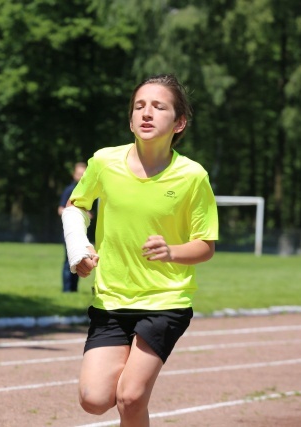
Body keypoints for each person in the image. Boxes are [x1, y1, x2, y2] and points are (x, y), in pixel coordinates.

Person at [61, 74, 218, 426]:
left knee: (130, 398)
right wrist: (79, 249)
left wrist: (173, 251)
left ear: (179, 123)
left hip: (165, 301)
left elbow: (206, 246)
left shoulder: (193, 176)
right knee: (94, 399)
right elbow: (76, 207)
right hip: (112, 300)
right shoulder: (104, 162)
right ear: (130, 119)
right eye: (139, 106)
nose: (147, 113)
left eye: (158, 107)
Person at [58, 162, 88, 292]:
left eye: (83, 175)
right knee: (69, 260)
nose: (81, 177)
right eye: (79, 174)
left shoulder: (85, 191)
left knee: (79, 259)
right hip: (70, 231)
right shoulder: (70, 190)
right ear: (73, 175)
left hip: (81, 231)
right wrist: (73, 215)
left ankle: (74, 289)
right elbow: (61, 209)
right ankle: (67, 289)